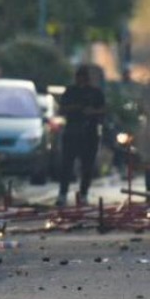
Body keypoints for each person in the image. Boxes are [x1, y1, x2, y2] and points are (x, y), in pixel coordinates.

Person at [56, 66, 106, 206]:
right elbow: (62, 109)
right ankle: (63, 194)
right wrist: (76, 108)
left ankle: (83, 194)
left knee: (87, 166)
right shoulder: (71, 91)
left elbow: (103, 110)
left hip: (89, 132)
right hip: (73, 130)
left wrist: (93, 112)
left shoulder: (95, 93)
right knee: (67, 165)